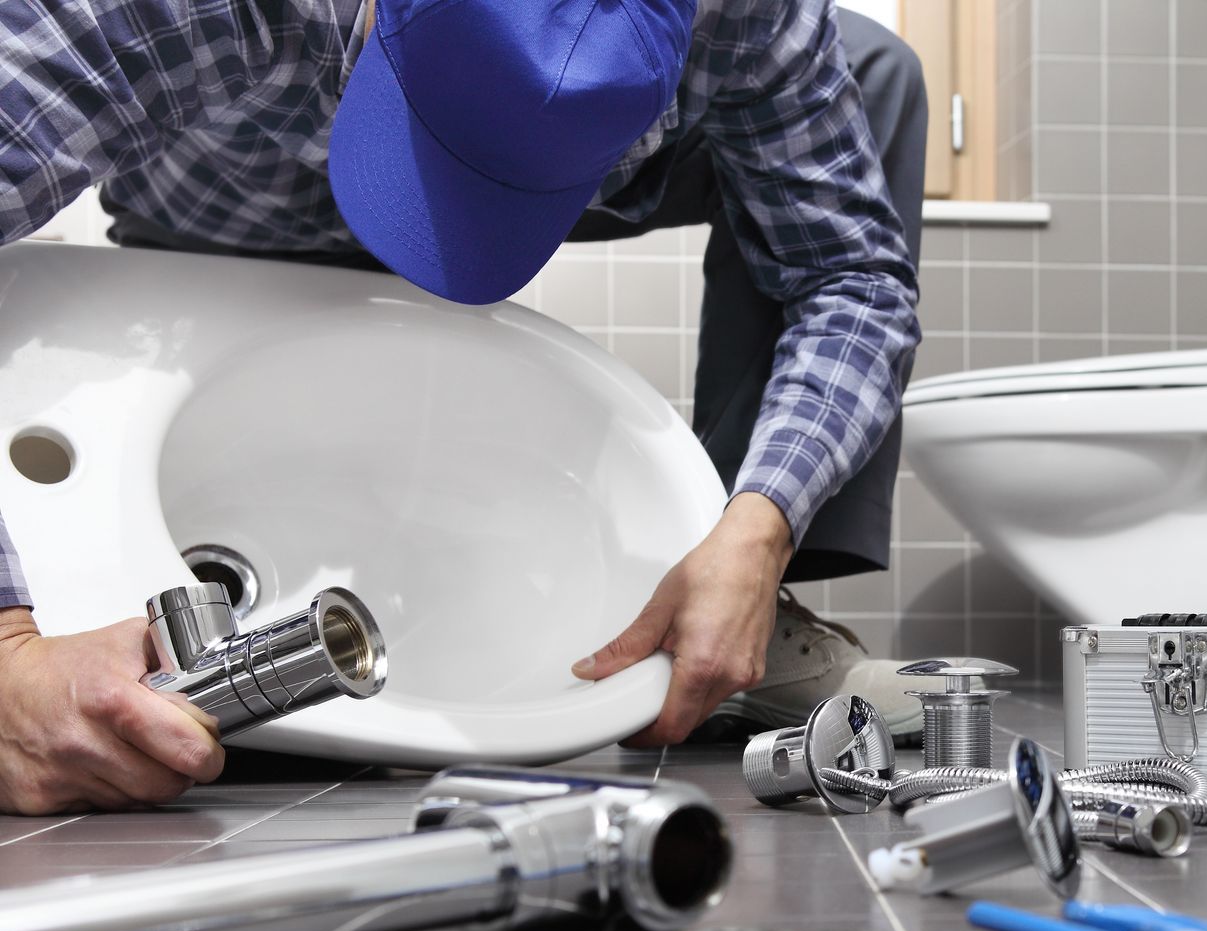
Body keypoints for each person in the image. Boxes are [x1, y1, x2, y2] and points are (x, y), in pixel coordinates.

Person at [0, 0, 927, 815]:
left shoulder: (747, 11)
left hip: (564, 153)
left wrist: (757, 530)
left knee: (875, 64)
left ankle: (720, 610)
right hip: (220, 200)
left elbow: (850, 274)